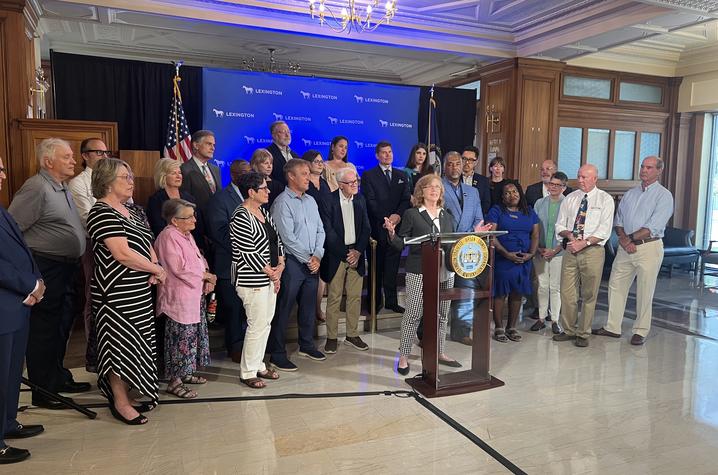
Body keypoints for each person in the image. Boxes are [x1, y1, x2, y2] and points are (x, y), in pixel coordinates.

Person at [8, 138, 89, 409]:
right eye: (66, 156)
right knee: (44, 329)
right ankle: (43, 390)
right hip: (46, 266)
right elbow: (12, 231)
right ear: (47, 161)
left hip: (66, 266)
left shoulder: (61, 187)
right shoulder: (36, 187)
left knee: (61, 326)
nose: (73, 160)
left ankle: (58, 377)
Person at [87, 158, 166, 424]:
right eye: (125, 177)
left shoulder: (131, 210)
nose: (131, 181)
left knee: (137, 343)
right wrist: (156, 270)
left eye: (131, 176)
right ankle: (119, 401)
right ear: (107, 182)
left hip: (139, 292)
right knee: (117, 346)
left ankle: (130, 392)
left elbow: (147, 242)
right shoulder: (101, 211)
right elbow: (122, 253)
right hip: (116, 292)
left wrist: (154, 264)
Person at [385, 174, 461, 375]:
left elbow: (452, 242)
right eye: (430, 187)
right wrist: (392, 234)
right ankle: (404, 355)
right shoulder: (412, 214)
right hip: (419, 270)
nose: (434, 190)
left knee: (443, 314)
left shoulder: (447, 215)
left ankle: (439, 351)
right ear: (421, 191)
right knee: (413, 314)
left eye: (438, 187)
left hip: (445, 270)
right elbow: (401, 243)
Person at [593, 156, 673, 345]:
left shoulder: (664, 196)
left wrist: (630, 239)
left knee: (645, 290)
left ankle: (640, 330)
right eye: (643, 166)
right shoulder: (631, 193)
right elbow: (618, 220)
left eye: (649, 167)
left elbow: (654, 225)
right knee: (615, 285)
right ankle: (612, 327)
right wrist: (623, 238)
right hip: (625, 247)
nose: (644, 170)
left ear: (659, 171)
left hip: (649, 247)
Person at [0, 156, 45, 464]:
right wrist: (28, 285)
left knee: (12, 371)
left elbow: (21, 249)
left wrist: (36, 280)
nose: (3, 175)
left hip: (18, 303)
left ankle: (6, 423)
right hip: (6, 302)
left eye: (3, 167)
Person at [268, 159, 326, 371]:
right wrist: (308, 259)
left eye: (309, 173)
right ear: (291, 176)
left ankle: (307, 345)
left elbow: (321, 229)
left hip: (312, 261)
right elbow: (287, 237)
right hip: (292, 262)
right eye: (304, 173)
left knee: (309, 307)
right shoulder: (282, 202)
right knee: (284, 308)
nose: (308, 177)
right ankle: (277, 353)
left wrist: (318, 255)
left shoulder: (311, 200)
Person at [155, 199, 215, 399]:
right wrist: (205, 276)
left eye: (193, 215)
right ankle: (174, 381)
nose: (194, 220)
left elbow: (199, 259)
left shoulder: (186, 235)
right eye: (188, 217)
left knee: (192, 337)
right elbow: (178, 267)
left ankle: (186, 373)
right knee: (179, 339)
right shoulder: (168, 237)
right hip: (178, 297)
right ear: (174, 220)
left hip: (193, 294)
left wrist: (206, 273)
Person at [230, 172, 285, 388]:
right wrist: (270, 272)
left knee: (265, 323)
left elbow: (277, 240)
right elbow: (247, 252)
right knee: (256, 325)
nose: (268, 191)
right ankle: (248, 371)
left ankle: (259, 364)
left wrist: (280, 266)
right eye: (264, 188)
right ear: (251, 192)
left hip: (270, 276)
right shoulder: (241, 216)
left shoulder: (263, 212)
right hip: (252, 279)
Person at [553, 164, 614, 348]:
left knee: (589, 294)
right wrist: (570, 236)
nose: (580, 180)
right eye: (579, 176)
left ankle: (583, 332)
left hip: (592, 251)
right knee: (567, 292)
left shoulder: (605, 199)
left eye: (584, 177)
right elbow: (559, 225)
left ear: (595, 178)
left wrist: (585, 242)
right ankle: (569, 329)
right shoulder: (570, 198)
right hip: (571, 249)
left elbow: (605, 229)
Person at [68, 138, 110, 372]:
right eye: (98, 152)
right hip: (94, 245)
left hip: (119, 245)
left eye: (106, 153)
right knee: (94, 296)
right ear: (85, 156)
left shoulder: (113, 177)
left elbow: (129, 208)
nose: (104, 156)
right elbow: (88, 217)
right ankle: (95, 351)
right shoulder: (78, 183)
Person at [319, 167, 371, 354]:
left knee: (355, 298)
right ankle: (332, 337)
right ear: (341, 185)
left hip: (356, 255)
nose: (355, 184)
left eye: (356, 181)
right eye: (351, 183)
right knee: (334, 298)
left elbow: (366, 227)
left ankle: (352, 334)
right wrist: (346, 254)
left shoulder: (360, 199)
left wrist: (357, 252)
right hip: (337, 256)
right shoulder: (328, 200)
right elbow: (328, 232)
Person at [442, 151, 491, 345]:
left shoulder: (473, 192)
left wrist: (471, 233)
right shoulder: (437, 187)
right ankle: (426, 332)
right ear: (444, 167)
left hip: (467, 247)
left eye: (457, 164)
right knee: (439, 291)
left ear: (463, 166)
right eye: (450, 164)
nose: (454, 168)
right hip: (444, 246)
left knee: (466, 290)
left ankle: (461, 331)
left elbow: (479, 218)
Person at [486, 181, 539, 343]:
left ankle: (512, 327)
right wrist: (506, 254)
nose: (512, 195)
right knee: (500, 293)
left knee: (517, 292)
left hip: (524, 259)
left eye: (515, 191)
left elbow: (535, 235)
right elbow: (492, 235)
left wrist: (531, 254)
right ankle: (499, 327)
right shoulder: (496, 211)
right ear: (502, 197)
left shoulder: (529, 211)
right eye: (507, 193)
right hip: (503, 258)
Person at [362, 141, 411, 314]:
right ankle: (374, 303)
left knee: (392, 267)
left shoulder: (401, 175)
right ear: (377, 155)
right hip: (377, 229)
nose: (387, 155)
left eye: (390, 152)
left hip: (396, 229)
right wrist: (386, 219)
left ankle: (391, 301)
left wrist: (396, 217)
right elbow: (370, 201)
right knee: (376, 268)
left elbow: (406, 199)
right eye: (383, 152)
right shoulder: (369, 175)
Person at [206, 161, 248, 363]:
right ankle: (235, 348)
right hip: (228, 264)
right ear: (233, 175)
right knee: (233, 309)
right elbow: (219, 233)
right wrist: (246, 248)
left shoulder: (252, 197)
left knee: (245, 309)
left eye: (249, 173)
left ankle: (247, 346)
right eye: (242, 173)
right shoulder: (220, 199)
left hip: (251, 266)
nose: (246, 176)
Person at [531, 172, 568, 334]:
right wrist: (538, 248)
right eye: (551, 184)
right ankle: (541, 317)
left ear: (564, 187)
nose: (553, 187)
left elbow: (568, 231)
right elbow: (534, 228)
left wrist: (555, 250)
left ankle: (554, 320)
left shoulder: (568, 204)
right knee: (542, 286)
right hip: (540, 251)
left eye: (557, 185)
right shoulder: (539, 203)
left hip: (559, 252)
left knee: (555, 287)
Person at [302, 150, 331, 323]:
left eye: (321, 161)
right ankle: (306, 310)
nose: (320, 164)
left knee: (322, 274)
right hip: (308, 232)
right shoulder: (304, 184)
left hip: (324, 231)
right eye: (316, 161)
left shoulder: (325, 183)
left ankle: (318, 307)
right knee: (310, 272)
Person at [147, 158, 199, 239]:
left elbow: (197, 225)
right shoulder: (156, 200)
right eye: (173, 173)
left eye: (179, 173)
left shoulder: (189, 198)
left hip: (191, 241)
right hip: (168, 241)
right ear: (163, 176)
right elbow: (158, 228)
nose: (178, 176)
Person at [180, 130, 221, 218]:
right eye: (209, 144)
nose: (213, 148)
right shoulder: (184, 169)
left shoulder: (216, 169)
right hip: (197, 221)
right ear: (196, 145)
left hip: (216, 220)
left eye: (213, 145)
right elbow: (185, 201)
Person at [460, 146, 491, 215]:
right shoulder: (454, 178)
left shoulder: (483, 181)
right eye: (464, 159)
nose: (467, 162)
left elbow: (486, 204)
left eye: (470, 160)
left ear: (476, 162)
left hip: (476, 219)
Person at [267, 121, 299, 186]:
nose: (287, 135)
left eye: (288, 132)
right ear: (274, 135)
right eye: (283, 132)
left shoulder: (295, 156)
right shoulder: (267, 153)